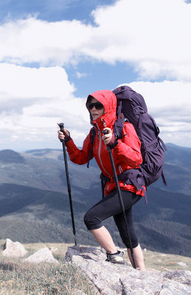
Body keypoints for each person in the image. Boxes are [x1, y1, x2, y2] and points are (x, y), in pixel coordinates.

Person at [58, 89, 146, 270]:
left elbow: (137, 158)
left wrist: (115, 143)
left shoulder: (124, 127)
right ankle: (142, 276)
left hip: (130, 185)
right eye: (90, 105)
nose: (93, 109)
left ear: (109, 106)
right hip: (114, 186)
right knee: (128, 236)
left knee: (91, 218)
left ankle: (114, 255)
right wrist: (68, 140)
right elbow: (81, 158)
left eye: (98, 105)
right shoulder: (95, 133)